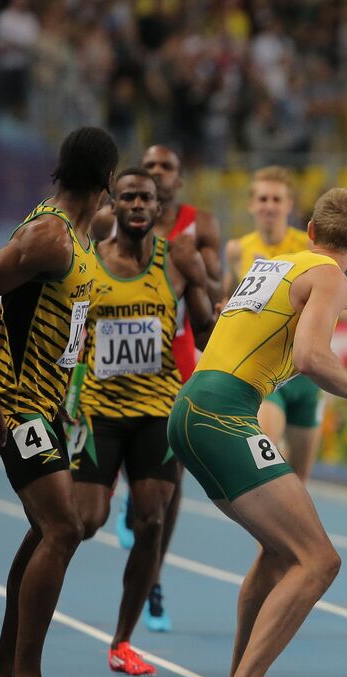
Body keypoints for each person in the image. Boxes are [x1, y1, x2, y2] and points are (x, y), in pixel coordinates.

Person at [168, 188, 347, 677]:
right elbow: (309, 356)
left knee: (281, 553)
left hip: (195, 407)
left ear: (308, 230)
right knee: (320, 560)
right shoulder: (330, 276)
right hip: (222, 414)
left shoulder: (275, 265)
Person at [0, 126, 118, 677]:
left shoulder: (80, 236)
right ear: (107, 182)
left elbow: (59, 323)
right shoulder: (50, 236)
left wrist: (69, 393)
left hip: (47, 404)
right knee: (64, 529)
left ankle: (3, 673)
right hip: (15, 403)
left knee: (46, 529)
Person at [68, 168, 214, 675]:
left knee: (152, 521)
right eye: (127, 196)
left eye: (145, 198)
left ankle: (122, 641)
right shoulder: (90, 257)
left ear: (158, 207)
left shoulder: (175, 257)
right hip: (99, 413)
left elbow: (207, 324)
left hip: (158, 411)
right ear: (113, 204)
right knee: (83, 522)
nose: (136, 204)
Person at [114, 144, 223, 634]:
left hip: (171, 359)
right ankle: (129, 494)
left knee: (172, 478)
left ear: (177, 182)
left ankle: (153, 574)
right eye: (150, 166)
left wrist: (202, 279)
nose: (156, 173)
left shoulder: (198, 226)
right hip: (112, 368)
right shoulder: (112, 224)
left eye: (166, 167)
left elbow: (215, 285)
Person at [223, 166, 347, 482]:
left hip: (304, 375)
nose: (269, 205)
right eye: (262, 198)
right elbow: (228, 304)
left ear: (289, 205)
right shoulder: (236, 250)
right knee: (268, 471)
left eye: (276, 199)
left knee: (298, 481)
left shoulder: (312, 247)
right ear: (251, 204)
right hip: (265, 373)